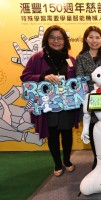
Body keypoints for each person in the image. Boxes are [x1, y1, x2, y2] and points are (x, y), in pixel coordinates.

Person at [20, 25, 78, 177]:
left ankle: (66, 159)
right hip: (47, 104)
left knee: (66, 133)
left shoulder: (70, 59)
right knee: (52, 133)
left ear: (65, 41)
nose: (56, 41)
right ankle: (57, 163)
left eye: (60, 38)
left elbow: (77, 81)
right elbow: (25, 77)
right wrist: (42, 78)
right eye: (52, 38)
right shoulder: (37, 58)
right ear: (46, 39)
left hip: (66, 104)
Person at [76, 26, 101, 169]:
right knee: (93, 131)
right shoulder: (81, 58)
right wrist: (96, 89)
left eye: (97, 37)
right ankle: (97, 158)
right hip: (90, 100)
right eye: (91, 37)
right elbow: (80, 79)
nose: (94, 40)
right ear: (86, 39)